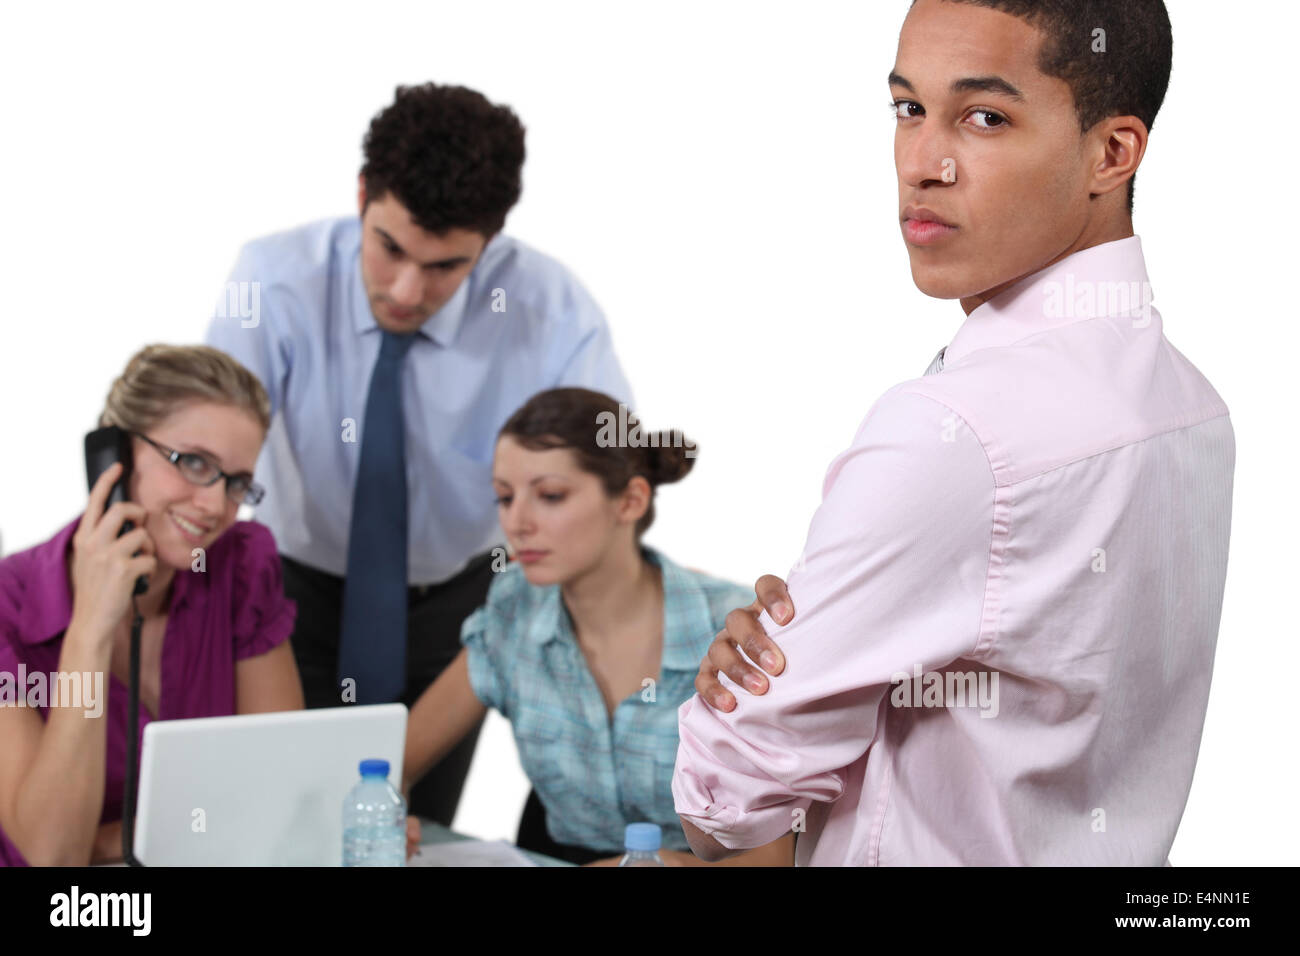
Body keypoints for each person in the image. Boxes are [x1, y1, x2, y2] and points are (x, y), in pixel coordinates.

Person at [674, 0, 1234, 866]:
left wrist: (742, 702)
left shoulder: (954, 433)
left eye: (984, 117)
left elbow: (726, 803)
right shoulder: (1195, 408)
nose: (922, 165)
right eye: (908, 108)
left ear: (1112, 152)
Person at [205, 83, 634, 827]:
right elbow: (207, 450)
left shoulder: (551, 309)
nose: (406, 290)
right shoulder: (273, 280)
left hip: (458, 609)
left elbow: (612, 467)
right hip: (287, 596)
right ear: (363, 193)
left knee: (408, 829)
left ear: (491, 242)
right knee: (281, 824)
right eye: (390, 247)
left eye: (444, 267)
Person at [402, 388, 794, 866]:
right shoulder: (513, 612)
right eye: (504, 497)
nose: (517, 521)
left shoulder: (730, 633)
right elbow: (393, 762)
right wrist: (386, 812)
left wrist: (664, 863)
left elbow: (773, 856)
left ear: (629, 501)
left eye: (549, 496)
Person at [0, 345, 304, 866]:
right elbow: (52, 857)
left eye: (235, 483)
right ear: (111, 456)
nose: (213, 505)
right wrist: (91, 627)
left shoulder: (241, 566)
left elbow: (279, 790)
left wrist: (111, 839)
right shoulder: (10, 607)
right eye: (192, 462)